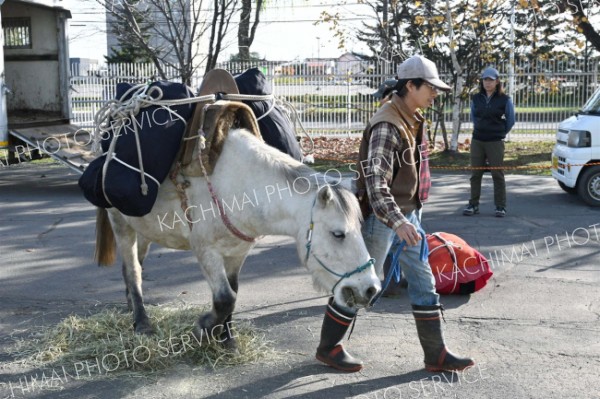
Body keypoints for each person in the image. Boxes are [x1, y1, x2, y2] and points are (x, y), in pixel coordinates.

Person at [315, 55, 475, 373]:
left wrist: (408, 215)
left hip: (406, 214)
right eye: (430, 87)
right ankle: (328, 348)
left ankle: (436, 354)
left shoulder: (410, 117)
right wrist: (399, 220)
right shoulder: (389, 123)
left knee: (423, 279)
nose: (435, 93)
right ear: (411, 86)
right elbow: (375, 183)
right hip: (383, 218)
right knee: (363, 284)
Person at [463, 67, 515, 217]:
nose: (488, 82)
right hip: (478, 140)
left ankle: (500, 206)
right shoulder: (476, 98)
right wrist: (480, 128)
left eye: (491, 80)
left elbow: (510, 120)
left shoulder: (505, 100)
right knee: (475, 174)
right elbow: (474, 116)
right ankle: (473, 205)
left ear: (497, 81)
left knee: (497, 174)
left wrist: (499, 133)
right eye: (485, 79)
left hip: (495, 142)